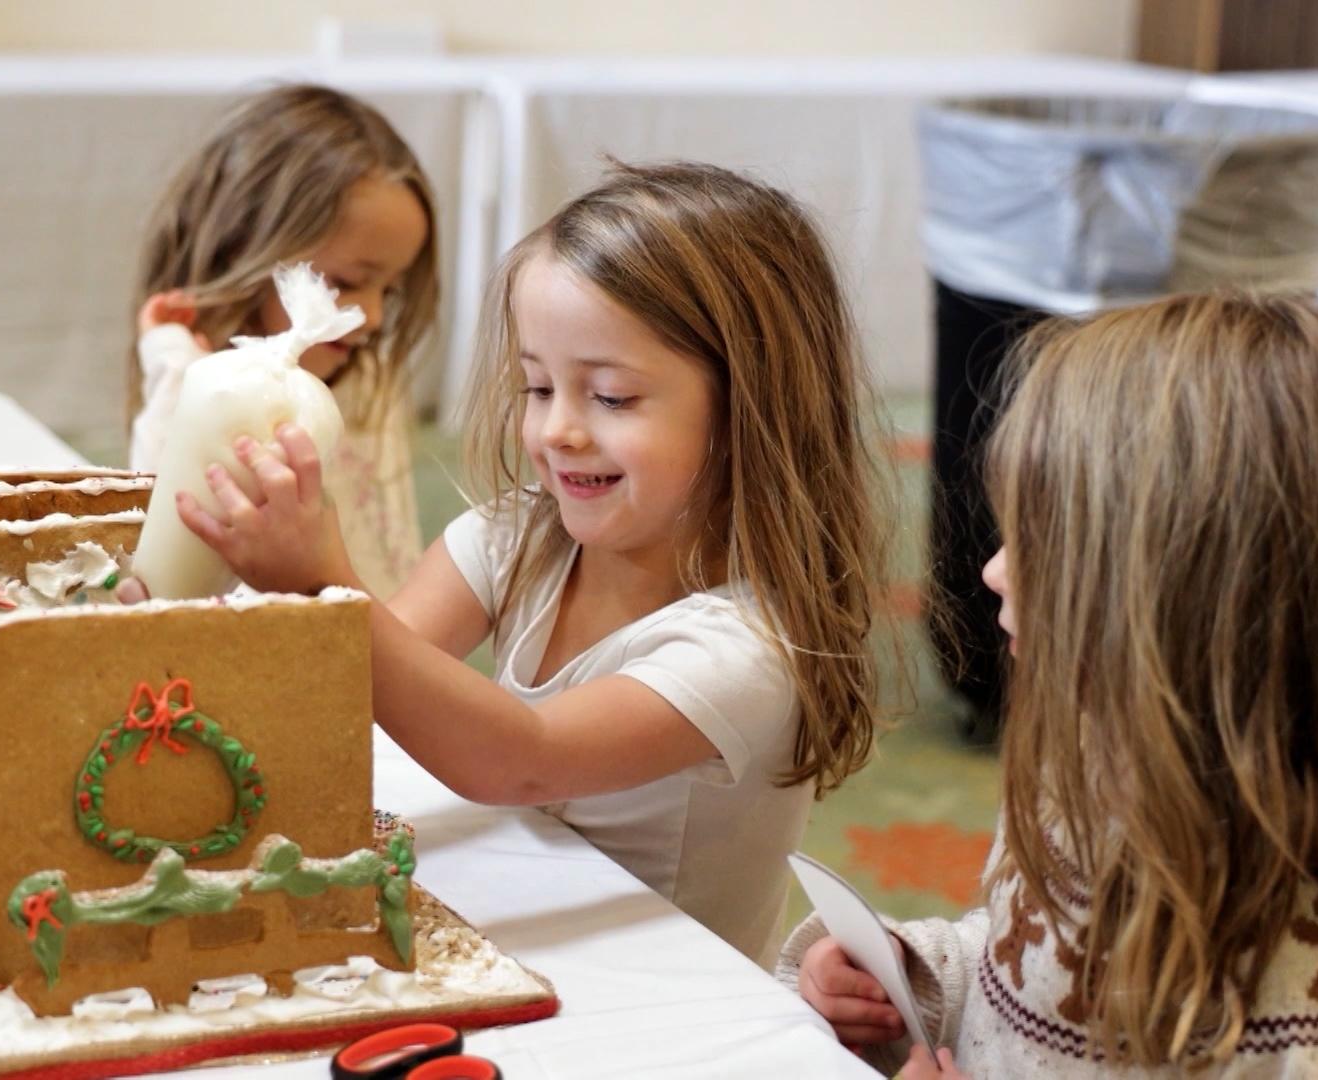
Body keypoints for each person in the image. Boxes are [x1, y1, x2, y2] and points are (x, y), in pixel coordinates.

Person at [139, 162, 886, 967]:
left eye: (611, 397)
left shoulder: (748, 649)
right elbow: (336, 687)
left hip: (665, 999)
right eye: (538, 386)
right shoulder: (519, 537)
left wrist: (330, 585)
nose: (557, 430)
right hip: (523, 955)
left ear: (752, 406)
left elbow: (520, 761)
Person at [784, 294, 1318, 1076]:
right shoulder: (1088, 742)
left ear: (1180, 596)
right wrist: (908, 975)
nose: (993, 570)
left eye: (1044, 542)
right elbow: (1024, 970)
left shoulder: (1275, 987)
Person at [127, 83, 438, 598]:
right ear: (245, 251)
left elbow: (389, 560)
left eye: (391, 288)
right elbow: (152, 548)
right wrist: (174, 373)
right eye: (344, 282)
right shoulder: (199, 384)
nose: (376, 316)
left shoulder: (370, 385)